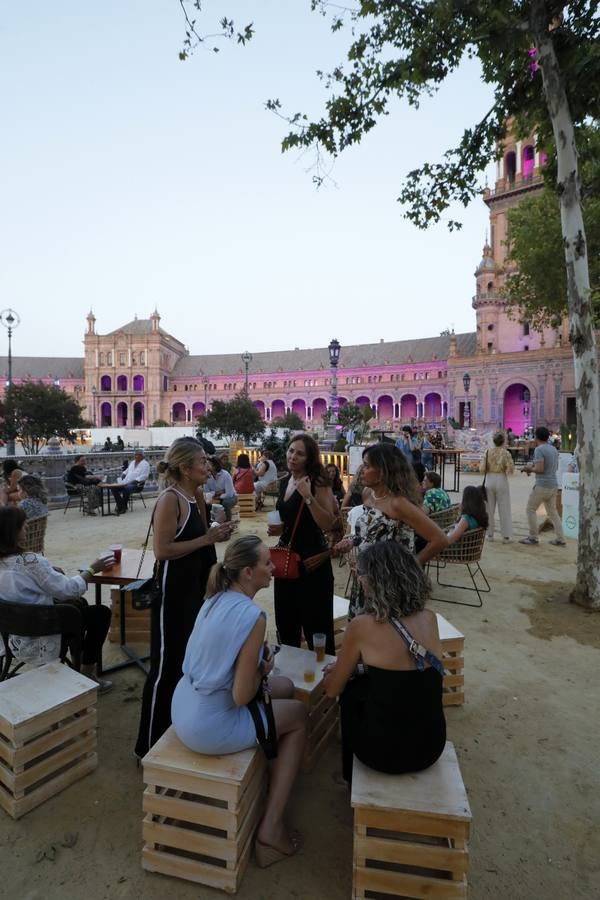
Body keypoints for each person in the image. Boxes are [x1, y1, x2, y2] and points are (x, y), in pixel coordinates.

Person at [171, 536, 306, 867]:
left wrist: (262, 669)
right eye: (266, 563)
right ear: (248, 572)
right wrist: (263, 667)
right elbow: (242, 696)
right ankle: (270, 830)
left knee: (285, 686)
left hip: (185, 703)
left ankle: (270, 771)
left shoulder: (214, 599)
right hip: (209, 724)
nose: (273, 568)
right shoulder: (253, 617)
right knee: (300, 715)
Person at [135, 437, 235, 758]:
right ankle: (147, 746)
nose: (209, 466)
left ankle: (175, 730)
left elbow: (203, 545)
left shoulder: (196, 497)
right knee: (165, 667)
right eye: (203, 462)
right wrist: (208, 536)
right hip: (173, 594)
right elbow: (162, 551)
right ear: (184, 468)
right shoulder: (170, 500)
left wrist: (216, 538)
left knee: (188, 663)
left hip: (196, 591)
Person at [323, 541, 446, 784]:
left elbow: (331, 690)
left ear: (377, 580)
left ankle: (349, 778)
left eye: (362, 574)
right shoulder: (429, 619)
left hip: (380, 755)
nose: (360, 580)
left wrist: (338, 672)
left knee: (349, 692)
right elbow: (403, 669)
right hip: (431, 748)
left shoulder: (362, 626)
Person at [0, 506, 114, 692]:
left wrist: (49, 572)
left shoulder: (14, 562)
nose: (26, 528)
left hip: (14, 629)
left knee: (80, 605)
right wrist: (92, 569)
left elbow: (21, 584)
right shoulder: (31, 561)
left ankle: (80, 663)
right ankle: (86, 673)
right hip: (43, 629)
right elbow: (68, 590)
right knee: (100, 613)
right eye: (23, 525)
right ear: (11, 532)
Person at [333, 443, 448, 619]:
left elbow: (440, 539)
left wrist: (412, 565)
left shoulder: (398, 503)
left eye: (367, 465)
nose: (362, 469)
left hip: (389, 586)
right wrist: (350, 541)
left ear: (383, 471)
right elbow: (369, 532)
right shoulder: (367, 494)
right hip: (365, 579)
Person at [268, 434, 338, 654]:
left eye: (300, 453)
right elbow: (289, 519)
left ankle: (323, 684)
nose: (293, 457)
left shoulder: (317, 482)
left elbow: (328, 523)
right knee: (286, 625)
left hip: (312, 564)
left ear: (309, 458)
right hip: (286, 564)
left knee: (317, 628)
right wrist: (280, 528)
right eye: (290, 451)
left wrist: (308, 497)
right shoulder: (285, 480)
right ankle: (291, 682)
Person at [519, 426, 566, 546]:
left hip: (542, 484)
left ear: (536, 437)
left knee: (530, 509)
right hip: (553, 484)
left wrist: (528, 469)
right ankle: (560, 538)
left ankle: (533, 537)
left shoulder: (539, 450)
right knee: (553, 513)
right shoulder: (554, 449)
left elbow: (540, 468)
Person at [480, 432, 514, 541]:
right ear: (503, 441)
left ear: (493, 441)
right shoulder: (506, 453)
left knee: (489, 508)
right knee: (504, 507)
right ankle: (506, 536)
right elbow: (510, 470)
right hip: (501, 479)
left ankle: (489, 535)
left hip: (489, 479)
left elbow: (482, 469)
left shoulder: (487, 452)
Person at [110, 449, 150, 515]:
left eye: (137, 455)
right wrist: (123, 474)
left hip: (137, 484)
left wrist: (134, 481)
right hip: (125, 482)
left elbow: (144, 476)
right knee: (114, 488)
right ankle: (121, 505)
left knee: (126, 488)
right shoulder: (132, 462)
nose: (135, 456)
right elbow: (126, 471)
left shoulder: (145, 464)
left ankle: (123, 507)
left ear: (141, 456)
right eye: (135, 454)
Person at [206, 456, 237, 520]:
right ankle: (210, 524)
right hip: (215, 497)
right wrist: (218, 492)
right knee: (206, 504)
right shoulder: (207, 476)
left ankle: (227, 523)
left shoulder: (225, 475)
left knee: (226, 503)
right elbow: (206, 493)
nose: (206, 466)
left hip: (231, 497)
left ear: (214, 466)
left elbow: (229, 494)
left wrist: (217, 496)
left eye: (208, 464)